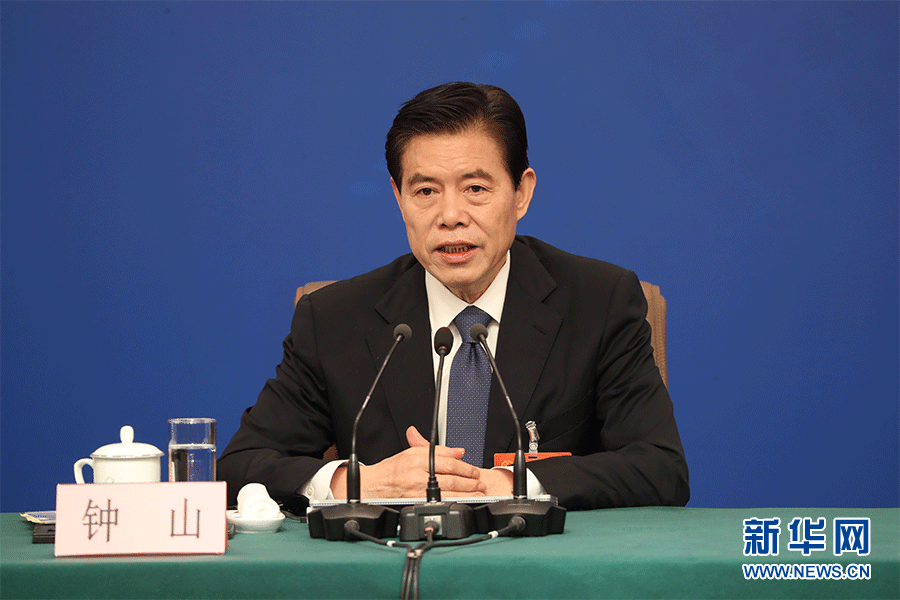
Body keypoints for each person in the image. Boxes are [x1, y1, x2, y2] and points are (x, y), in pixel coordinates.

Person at [217, 82, 689, 514]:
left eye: (475, 189)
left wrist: (512, 484)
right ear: (399, 197)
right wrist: (356, 482)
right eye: (425, 191)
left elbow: (660, 468)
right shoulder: (335, 319)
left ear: (521, 193)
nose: (450, 215)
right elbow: (238, 467)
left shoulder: (599, 302)